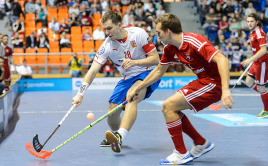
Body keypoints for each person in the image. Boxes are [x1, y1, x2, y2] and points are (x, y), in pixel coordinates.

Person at [127, 13, 234, 165]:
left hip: (214, 83)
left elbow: (222, 59)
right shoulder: (170, 49)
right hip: (203, 80)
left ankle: (181, 153)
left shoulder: (194, 41)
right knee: (171, 108)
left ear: (168, 31)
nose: (157, 36)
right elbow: (158, 71)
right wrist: (138, 87)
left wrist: (225, 90)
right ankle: (200, 142)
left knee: (168, 106)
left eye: (159, 32)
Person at [72, 10, 160, 152]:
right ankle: (115, 137)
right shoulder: (107, 46)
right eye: (104, 29)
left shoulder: (138, 34)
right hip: (127, 78)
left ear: (119, 25)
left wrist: (133, 62)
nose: (107, 32)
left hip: (147, 72)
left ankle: (120, 136)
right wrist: (80, 94)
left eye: (109, 28)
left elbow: (156, 59)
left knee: (133, 95)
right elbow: (93, 70)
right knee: (111, 113)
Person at [241, 13, 268, 118]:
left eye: (251, 21)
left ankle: (266, 110)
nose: (249, 23)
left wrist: (250, 59)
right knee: (248, 82)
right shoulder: (252, 32)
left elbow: (264, 50)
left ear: (256, 22)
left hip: (262, 64)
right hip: (256, 62)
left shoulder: (259, 33)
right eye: (248, 21)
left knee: (261, 88)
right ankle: (265, 95)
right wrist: (253, 60)